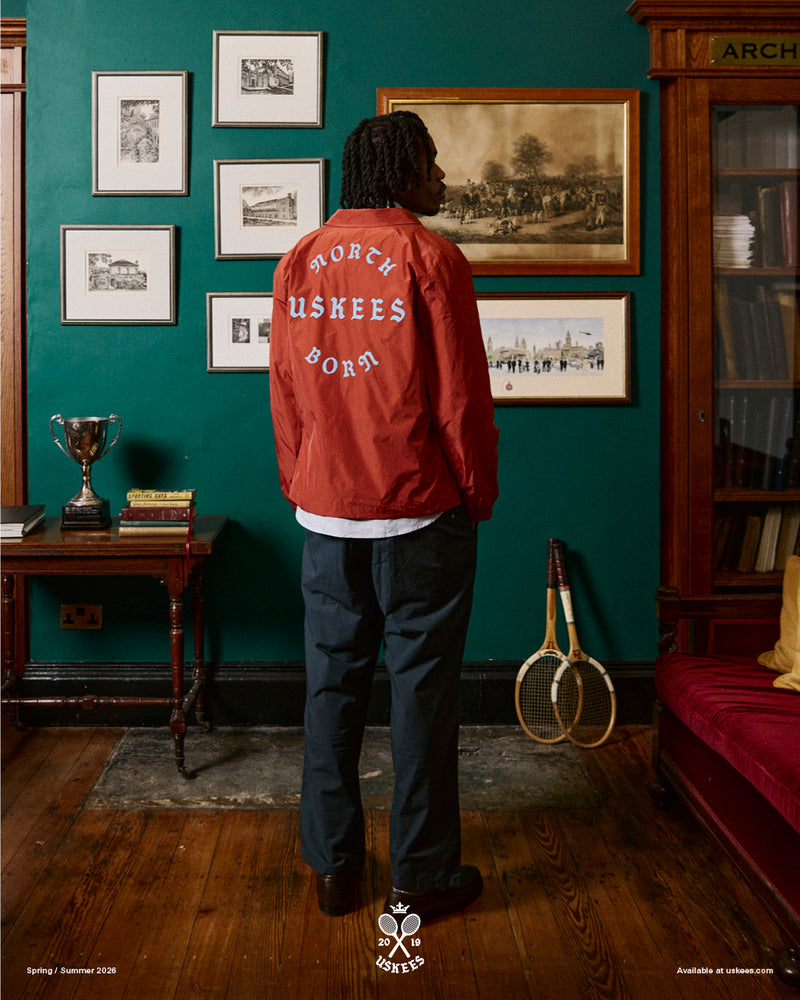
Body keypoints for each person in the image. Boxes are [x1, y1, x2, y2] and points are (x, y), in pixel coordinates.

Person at [270, 110, 499, 924]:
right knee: (423, 697)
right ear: (400, 170)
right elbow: (461, 401)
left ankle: (333, 871)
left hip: (326, 513)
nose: (441, 179)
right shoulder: (431, 256)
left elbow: (287, 393)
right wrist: (476, 493)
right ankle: (421, 876)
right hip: (418, 514)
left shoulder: (300, 257)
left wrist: (303, 483)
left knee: (330, 691)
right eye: (431, 164)